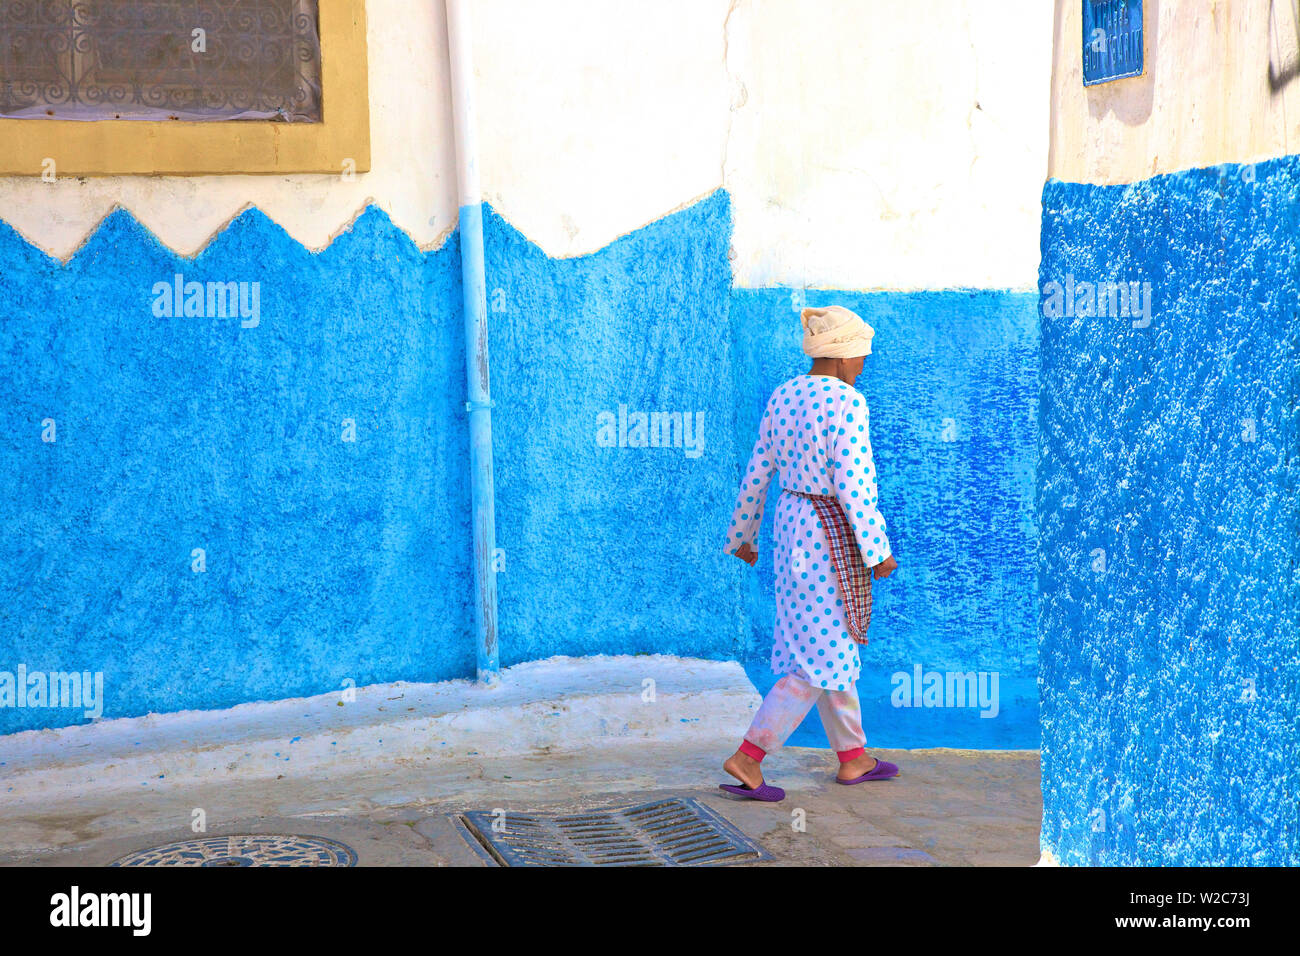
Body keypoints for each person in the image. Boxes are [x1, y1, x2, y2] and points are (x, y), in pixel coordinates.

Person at [719, 305, 899, 801]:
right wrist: (876, 549)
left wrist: (744, 535)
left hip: (792, 523)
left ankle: (853, 757)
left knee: (827, 642)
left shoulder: (783, 396)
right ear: (841, 359)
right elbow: (855, 485)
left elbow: (758, 470)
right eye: (861, 358)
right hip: (831, 533)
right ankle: (750, 757)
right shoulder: (847, 403)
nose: (863, 367)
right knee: (815, 657)